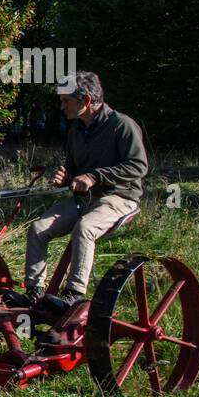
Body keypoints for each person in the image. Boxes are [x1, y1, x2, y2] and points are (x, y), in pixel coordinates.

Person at [18, 71, 148, 312]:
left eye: (66, 100)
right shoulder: (76, 130)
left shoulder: (122, 125)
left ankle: (74, 295)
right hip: (85, 200)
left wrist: (94, 176)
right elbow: (73, 166)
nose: (61, 106)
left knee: (84, 228)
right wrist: (64, 176)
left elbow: (138, 166)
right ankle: (34, 292)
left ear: (86, 101)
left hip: (119, 198)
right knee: (38, 228)